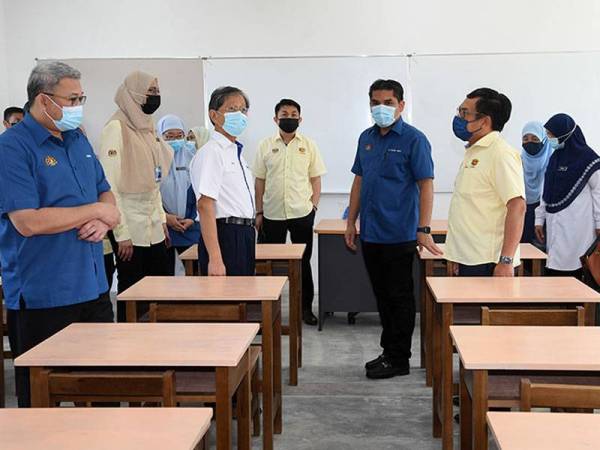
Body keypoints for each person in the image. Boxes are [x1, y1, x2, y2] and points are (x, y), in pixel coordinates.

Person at [0, 62, 119, 406]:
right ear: (44, 99)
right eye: (72, 98)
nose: (78, 106)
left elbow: (104, 191)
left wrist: (105, 217)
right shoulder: (13, 148)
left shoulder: (77, 138)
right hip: (43, 294)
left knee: (104, 392)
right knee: (42, 402)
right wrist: (97, 211)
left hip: (92, 287)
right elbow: (28, 222)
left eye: (81, 97)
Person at [344, 79, 440, 379]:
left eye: (387, 102)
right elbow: (359, 179)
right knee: (382, 296)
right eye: (375, 102)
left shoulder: (414, 139)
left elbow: (426, 184)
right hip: (371, 233)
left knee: (399, 298)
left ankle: (399, 359)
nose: (381, 108)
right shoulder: (366, 138)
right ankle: (389, 351)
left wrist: (423, 228)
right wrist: (351, 221)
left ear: (401, 104)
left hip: (399, 233)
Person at [98, 70, 172, 321]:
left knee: (158, 293)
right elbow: (110, 187)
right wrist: (122, 234)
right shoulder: (116, 127)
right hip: (129, 226)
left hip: (154, 226)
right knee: (132, 293)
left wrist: (162, 219)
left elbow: (155, 182)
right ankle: (132, 355)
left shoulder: (148, 127)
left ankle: (158, 351)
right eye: (150, 92)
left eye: (157, 92)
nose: (155, 97)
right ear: (133, 93)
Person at [254, 98, 327, 325]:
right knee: (267, 265)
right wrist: (259, 212)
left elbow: (315, 180)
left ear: (300, 119)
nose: (289, 118)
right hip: (272, 215)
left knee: (303, 263)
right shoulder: (265, 145)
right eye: (284, 114)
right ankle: (266, 312)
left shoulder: (309, 145)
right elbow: (259, 181)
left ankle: (305, 310)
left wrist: (313, 207)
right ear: (276, 119)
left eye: (294, 114)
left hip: (302, 214)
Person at [445, 88, 526, 276]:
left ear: (484, 121)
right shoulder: (475, 151)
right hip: (469, 257)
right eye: (459, 111)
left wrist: (505, 261)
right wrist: (457, 254)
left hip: (489, 261)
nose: (459, 117)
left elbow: (517, 206)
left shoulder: (500, 153)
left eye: (465, 113)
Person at [190, 86, 255, 276]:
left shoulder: (235, 152)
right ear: (214, 115)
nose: (240, 115)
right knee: (228, 301)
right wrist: (216, 259)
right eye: (232, 109)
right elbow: (205, 205)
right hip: (225, 235)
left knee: (244, 300)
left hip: (243, 234)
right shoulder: (212, 152)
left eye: (243, 110)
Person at [535, 113, 600, 277]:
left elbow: (599, 194)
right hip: (554, 224)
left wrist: (599, 224)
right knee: (555, 267)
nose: (549, 139)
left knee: (577, 268)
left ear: (563, 134)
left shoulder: (589, 160)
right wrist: (539, 220)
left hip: (580, 226)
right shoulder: (554, 159)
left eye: (551, 135)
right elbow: (546, 191)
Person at [157, 114, 200, 275]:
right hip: (164, 227)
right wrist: (166, 217)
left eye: (179, 136)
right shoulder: (155, 160)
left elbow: (200, 191)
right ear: (160, 137)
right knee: (165, 275)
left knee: (196, 274)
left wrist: (192, 217)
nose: (175, 140)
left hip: (190, 226)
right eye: (169, 136)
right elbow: (151, 193)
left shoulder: (192, 158)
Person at [520, 121, 552, 244]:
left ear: (544, 141)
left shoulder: (553, 163)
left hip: (546, 214)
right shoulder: (518, 162)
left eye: (535, 138)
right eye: (525, 139)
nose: (529, 142)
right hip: (522, 212)